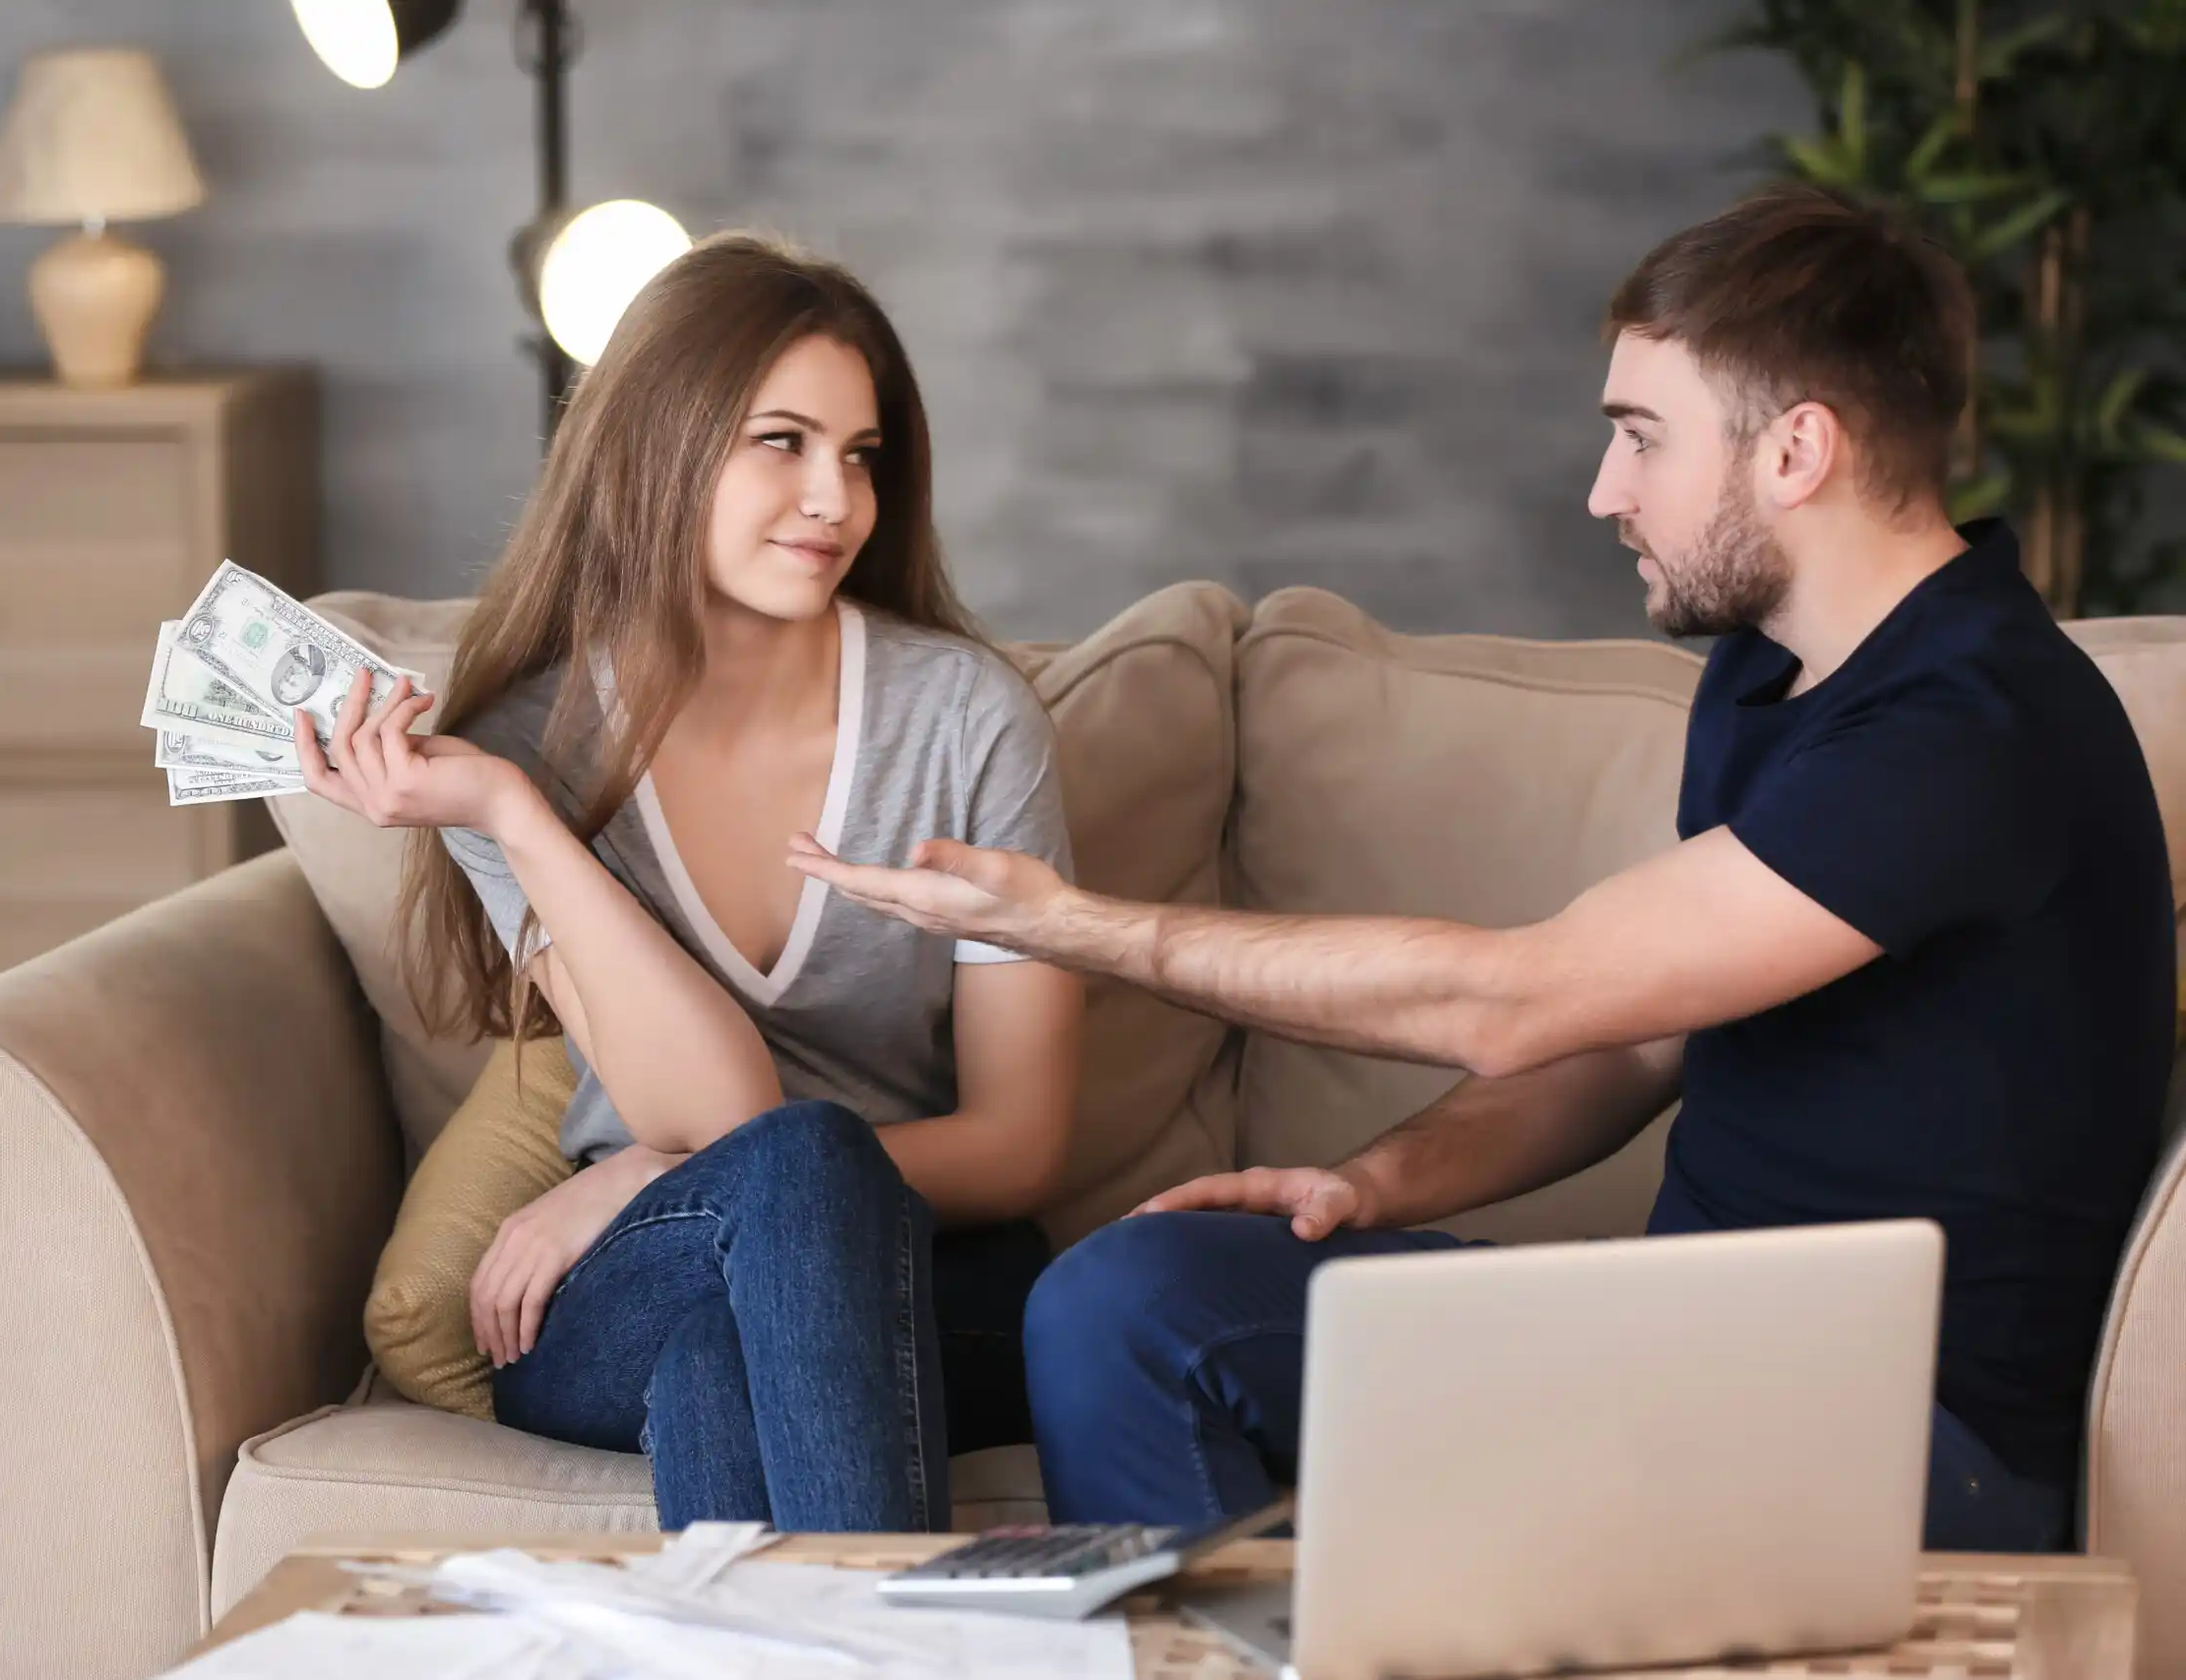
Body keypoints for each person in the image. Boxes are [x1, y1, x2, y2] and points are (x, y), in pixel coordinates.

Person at [789, 184, 2175, 1552]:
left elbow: (1518, 999)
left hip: (1897, 1437)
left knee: (1137, 1314)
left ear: (1796, 449)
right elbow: (1631, 1041)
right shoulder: (1778, 675)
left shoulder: (1969, 728)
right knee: (1127, 1299)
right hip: (1692, 1352)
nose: (1602, 490)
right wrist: (1375, 1182)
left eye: (1641, 436)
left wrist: (1074, 925)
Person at [290, 234, 1084, 1532]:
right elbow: (720, 1103)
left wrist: (636, 1175)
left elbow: (1021, 1141)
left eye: (862, 454)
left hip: (935, 1268)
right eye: (784, 441)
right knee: (789, 1171)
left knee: (756, 1296)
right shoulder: (521, 749)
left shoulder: (969, 721)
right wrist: (511, 813)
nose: (835, 496)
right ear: (660, 442)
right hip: (634, 1282)